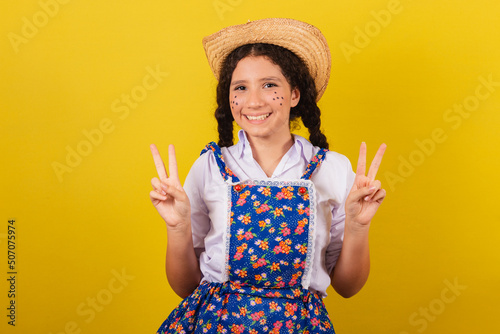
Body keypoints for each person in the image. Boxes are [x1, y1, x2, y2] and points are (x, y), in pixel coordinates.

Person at [150, 18, 386, 334]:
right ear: (229, 98)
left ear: (295, 95)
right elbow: (185, 286)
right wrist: (177, 227)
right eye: (241, 88)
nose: (254, 101)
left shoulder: (334, 168)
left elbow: (348, 286)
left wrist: (359, 225)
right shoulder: (209, 167)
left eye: (270, 85)